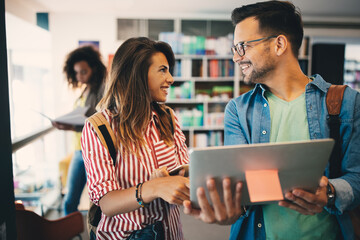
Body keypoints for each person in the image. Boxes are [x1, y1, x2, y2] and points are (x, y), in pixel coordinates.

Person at [183, 1, 360, 240]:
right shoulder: (238, 110)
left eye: (242, 46)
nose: (236, 57)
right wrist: (229, 211)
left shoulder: (347, 102)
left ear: (279, 44)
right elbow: (240, 190)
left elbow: (357, 177)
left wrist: (329, 192)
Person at [81, 37, 190, 240]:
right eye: (163, 70)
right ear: (137, 74)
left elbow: (184, 168)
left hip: (170, 232)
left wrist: (182, 176)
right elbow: (107, 203)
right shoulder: (99, 127)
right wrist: (154, 188)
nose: (171, 79)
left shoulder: (169, 118)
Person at [53, 46, 106, 215]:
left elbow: (100, 122)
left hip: (93, 152)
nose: (79, 76)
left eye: (83, 72)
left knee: (96, 200)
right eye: (76, 73)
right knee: (71, 200)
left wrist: (71, 126)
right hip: (78, 150)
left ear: (94, 68)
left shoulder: (102, 89)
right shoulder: (86, 89)